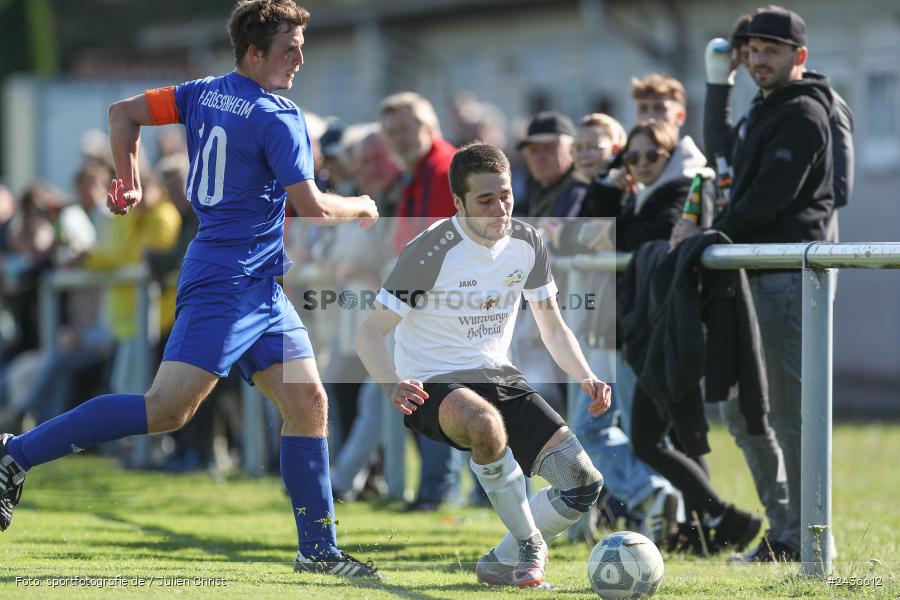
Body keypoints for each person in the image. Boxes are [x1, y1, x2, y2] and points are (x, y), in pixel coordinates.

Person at [0, 0, 381, 579]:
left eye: (301, 46)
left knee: (309, 405)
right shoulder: (278, 115)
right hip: (228, 281)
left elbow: (122, 112)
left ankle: (319, 551)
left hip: (254, 280)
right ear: (255, 52)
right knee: (166, 411)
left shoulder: (202, 91)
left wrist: (126, 178)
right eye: (289, 49)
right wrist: (363, 206)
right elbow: (312, 206)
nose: (300, 59)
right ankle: (13, 454)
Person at [356, 142, 611, 588]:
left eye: (506, 195)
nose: (500, 209)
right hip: (430, 382)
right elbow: (369, 333)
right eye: (485, 200)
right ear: (458, 203)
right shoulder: (431, 250)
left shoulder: (528, 242)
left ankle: (499, 561)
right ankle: (532, 545)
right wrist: (391, 383)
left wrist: (585, 375)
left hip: (497, 374)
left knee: (582, 485)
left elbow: (552, 326)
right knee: (485, 426)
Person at [672, 6, 836, 563]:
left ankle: (804, 537)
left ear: (799, 57)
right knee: (741, 413)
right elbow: (722, 157)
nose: (760, 58)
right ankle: (785, 528)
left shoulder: (804, 112)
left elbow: (766, 200)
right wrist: (719, 83)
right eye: (753, 50)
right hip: (747, 275)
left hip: (788, 278)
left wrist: (706, 237)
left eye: (772, 49)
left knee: (787, 413)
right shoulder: (764, 108)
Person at [378, 91, 463, 511]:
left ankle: (439, 491)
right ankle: (436, 489)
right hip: (425, 307)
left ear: (430, 127)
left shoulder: (447, 169)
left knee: (441, 398)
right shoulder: (415, 173)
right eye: (392, 132)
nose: (399, 138)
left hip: (449, 308)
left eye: (407, 129)